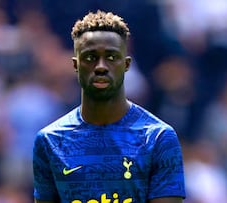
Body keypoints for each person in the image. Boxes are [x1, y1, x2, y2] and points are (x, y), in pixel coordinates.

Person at [33, 10, 186, 203]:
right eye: (90, 57)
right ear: (75, 65)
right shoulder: (50, 141)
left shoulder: (158, 139)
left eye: (112, 57)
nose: (101, 66)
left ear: (127, 64)